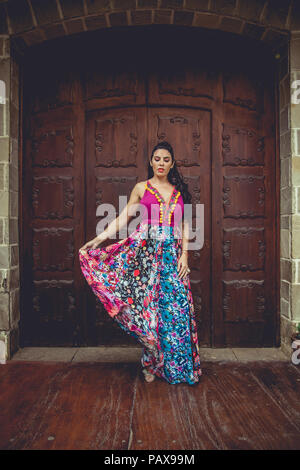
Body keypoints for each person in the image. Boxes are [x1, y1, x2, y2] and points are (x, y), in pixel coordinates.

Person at [79, 141, 202, 385]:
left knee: (176, 310)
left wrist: (185, 255)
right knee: (149, 312)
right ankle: (151, 364)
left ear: (172, 164)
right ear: (151, 162)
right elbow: (124, 218)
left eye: (166, 160)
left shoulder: (179, 191)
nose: (161, 164)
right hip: (145, 259)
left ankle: (178, 368)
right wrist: (99, 238)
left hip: (173, 258)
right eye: (157, 159)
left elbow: (185, 224)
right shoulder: (141, 188)